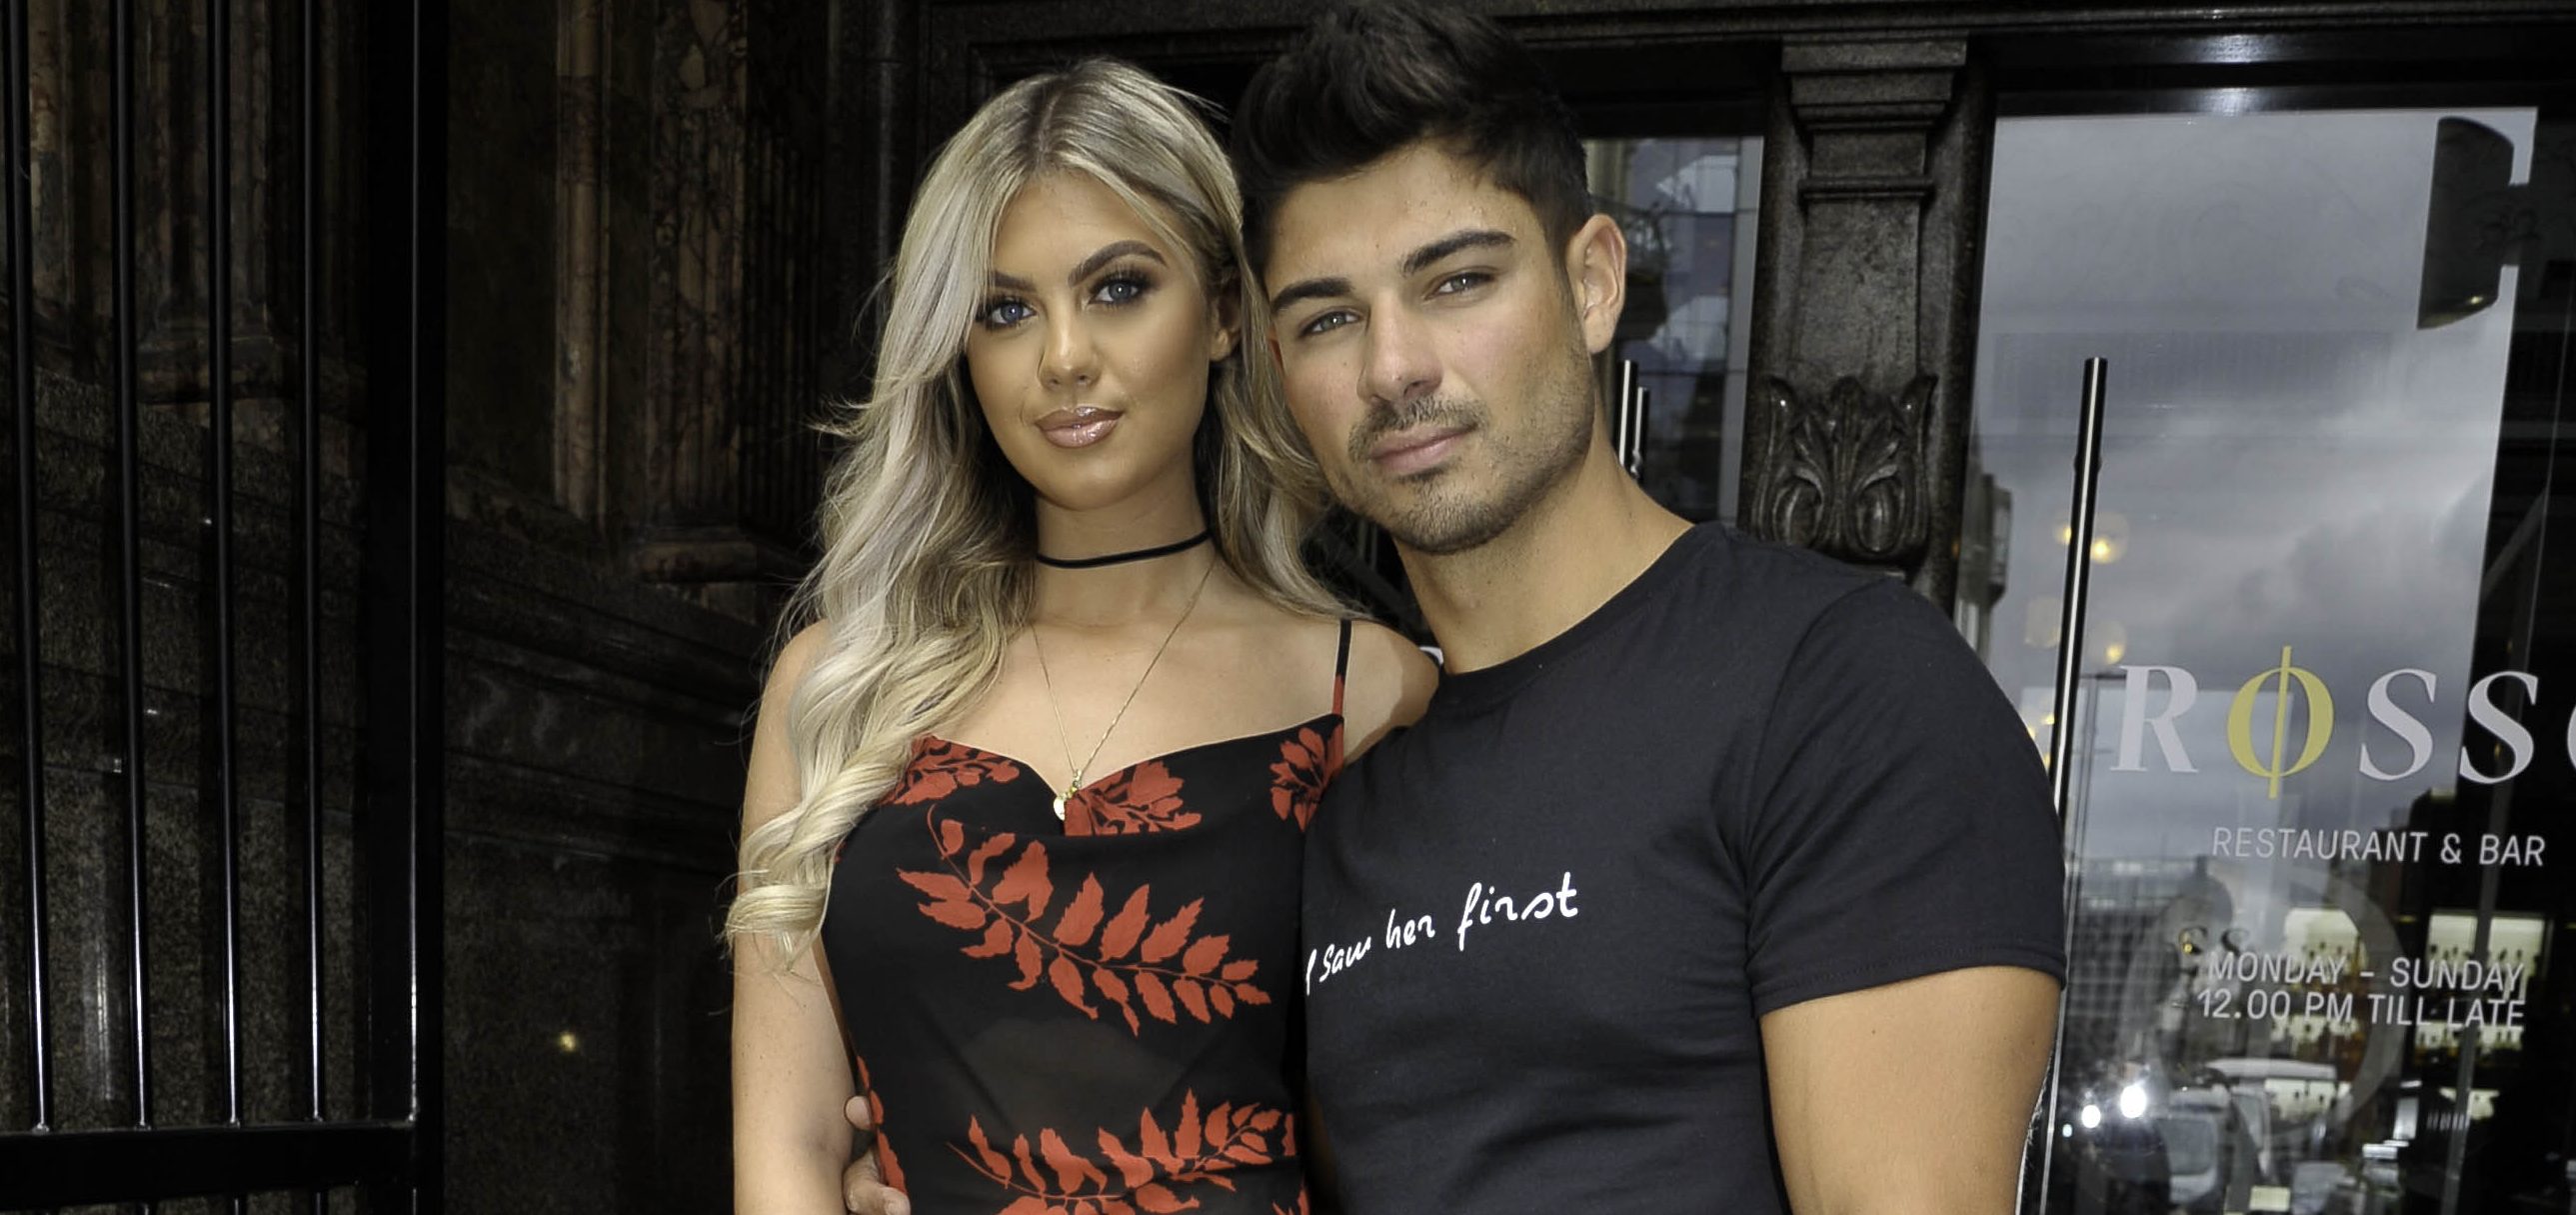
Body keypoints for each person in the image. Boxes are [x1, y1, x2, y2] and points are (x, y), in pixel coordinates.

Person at [1230, 5, 2067, 1212]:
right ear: (1279, 371)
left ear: (1592, 284)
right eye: (1329, 318)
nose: (1393, 367)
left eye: (1457, 281)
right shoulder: (1348, 791)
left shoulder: (1842, 689)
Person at [730, 58, 1433, 1215]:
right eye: (1005, 310)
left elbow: (1411, 1132)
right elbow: (788, 1148)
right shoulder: (839, 689)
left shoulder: (1365, 690)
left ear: (1223, 312)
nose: (1063, 357)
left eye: (1118, 287)